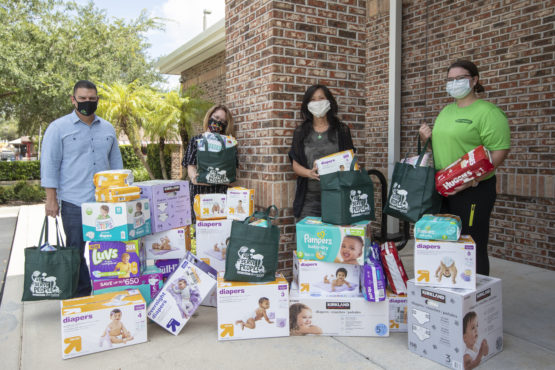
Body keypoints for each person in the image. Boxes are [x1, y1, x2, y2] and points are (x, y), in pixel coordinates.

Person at [419, 60, 510, 276]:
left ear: (474, 80)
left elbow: (500, 150)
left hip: (473, 190)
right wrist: (427, 140)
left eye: (460, 78)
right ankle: (450, 293)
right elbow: (442, 147)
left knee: (471, 244)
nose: (454, 83)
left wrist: (473, 180)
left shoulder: (487, 112)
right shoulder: (446, 111)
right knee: (447, 242)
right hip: (445, 187)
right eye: (450, 80)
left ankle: (475, 297)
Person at [41, 80, 123, 297]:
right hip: (74, 202)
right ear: (73, 99)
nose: (88, 102)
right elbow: (49, 164)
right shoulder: (58, 128)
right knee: (75, 252)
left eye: (92, 99)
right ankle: (81, 297)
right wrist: (51, 199)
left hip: (104, 204)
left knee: (107, 252)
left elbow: (116, 165)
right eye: (83, 99)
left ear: (97, 100)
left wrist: (121, 195)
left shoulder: (107, 128)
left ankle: (106, 292)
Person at [289, 85, 355, 219]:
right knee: (308, 238)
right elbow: (295, 164)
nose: (317, 103)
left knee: (336, 238)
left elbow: (351, 161)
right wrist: (309, 173)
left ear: (329, 101)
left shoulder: (342, 131)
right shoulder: (301, 132)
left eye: (321, 98)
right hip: (309, 200)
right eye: (313, 100)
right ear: (307, 104)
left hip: (337, 197)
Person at [182, 105, 236, 222]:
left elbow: (232, 172)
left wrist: (212, 179)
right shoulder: (196, 141)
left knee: (220, 232)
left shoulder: (228, 144)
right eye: (216, 118)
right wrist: (194, 177)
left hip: (220, 195)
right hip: (200, 194)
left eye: (222, 121)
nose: (217, 122)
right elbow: (191, 167)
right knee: (201, 232)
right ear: (209, 117)